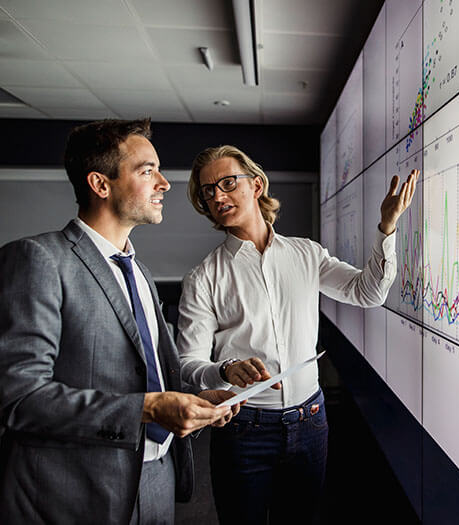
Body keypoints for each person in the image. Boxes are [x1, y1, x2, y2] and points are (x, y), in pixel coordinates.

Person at [0, 119, 274, 524]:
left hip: (156, 480)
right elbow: (19, 398)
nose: (164, 184)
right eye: (147, 170)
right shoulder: (39, 259)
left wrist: (195, 398)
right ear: (100, 184)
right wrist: (146, 409)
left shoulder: (137, 271)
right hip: (77, 492)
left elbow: (151, 373)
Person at [177, 144, 419, 524]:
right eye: (208, 191)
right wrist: (225, 370)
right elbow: (187, 363)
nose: (218, 196)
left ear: (256, 185)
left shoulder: (306, 254)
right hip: (243, 431)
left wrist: (386, 227)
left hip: (310, 422)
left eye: (227, 183)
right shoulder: (204, 277)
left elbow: (368, 292)